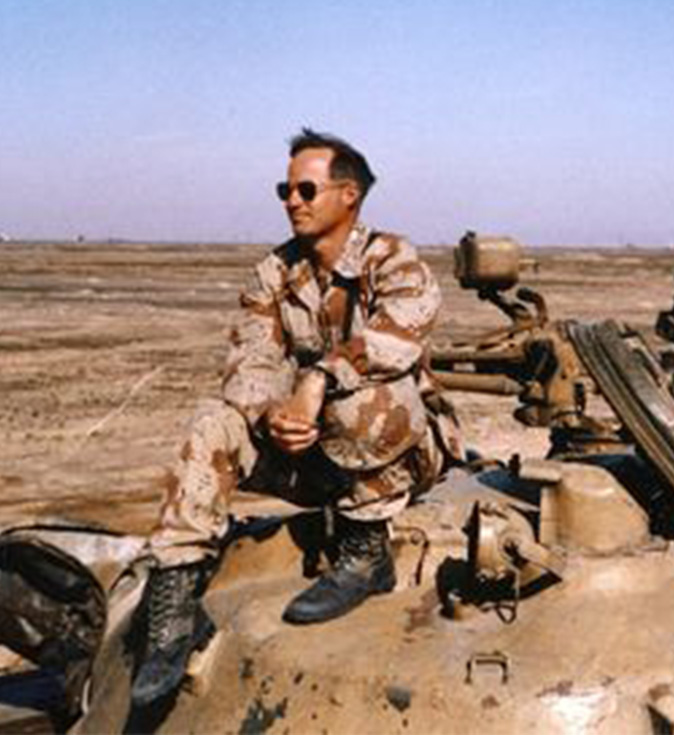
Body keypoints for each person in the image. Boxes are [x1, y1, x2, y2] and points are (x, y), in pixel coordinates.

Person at [130, 129, 463, 707]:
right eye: (284, 189)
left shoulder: (393, 259)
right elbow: (250, 358)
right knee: (215, 419)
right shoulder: (274, 273)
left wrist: (315, 381)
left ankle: (365, 553)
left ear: (349, 195)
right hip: (311, 450)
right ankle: (174, 601)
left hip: (400, 457)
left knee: (361, 397)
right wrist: (272, 414)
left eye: (306, 188)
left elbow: (398, 337)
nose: (292, 200)